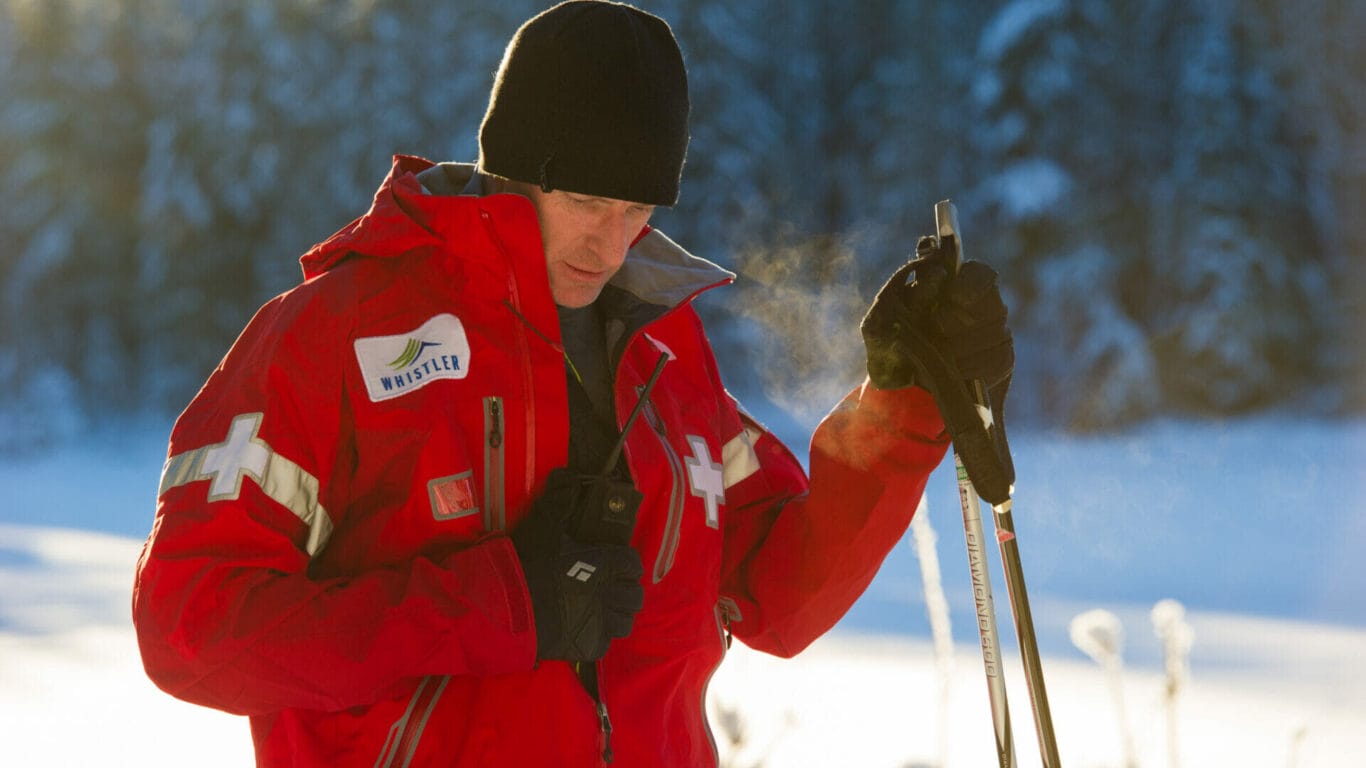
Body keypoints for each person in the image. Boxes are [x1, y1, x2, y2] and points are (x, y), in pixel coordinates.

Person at [132, 2, 1014, 766]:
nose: (612, 242)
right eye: (588, 203)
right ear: (512, 167)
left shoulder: (663, 349)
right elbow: (191, 629)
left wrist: (902, 402)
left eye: (638, 211)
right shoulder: (332, 334)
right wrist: (496, 606)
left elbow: (776, 597)